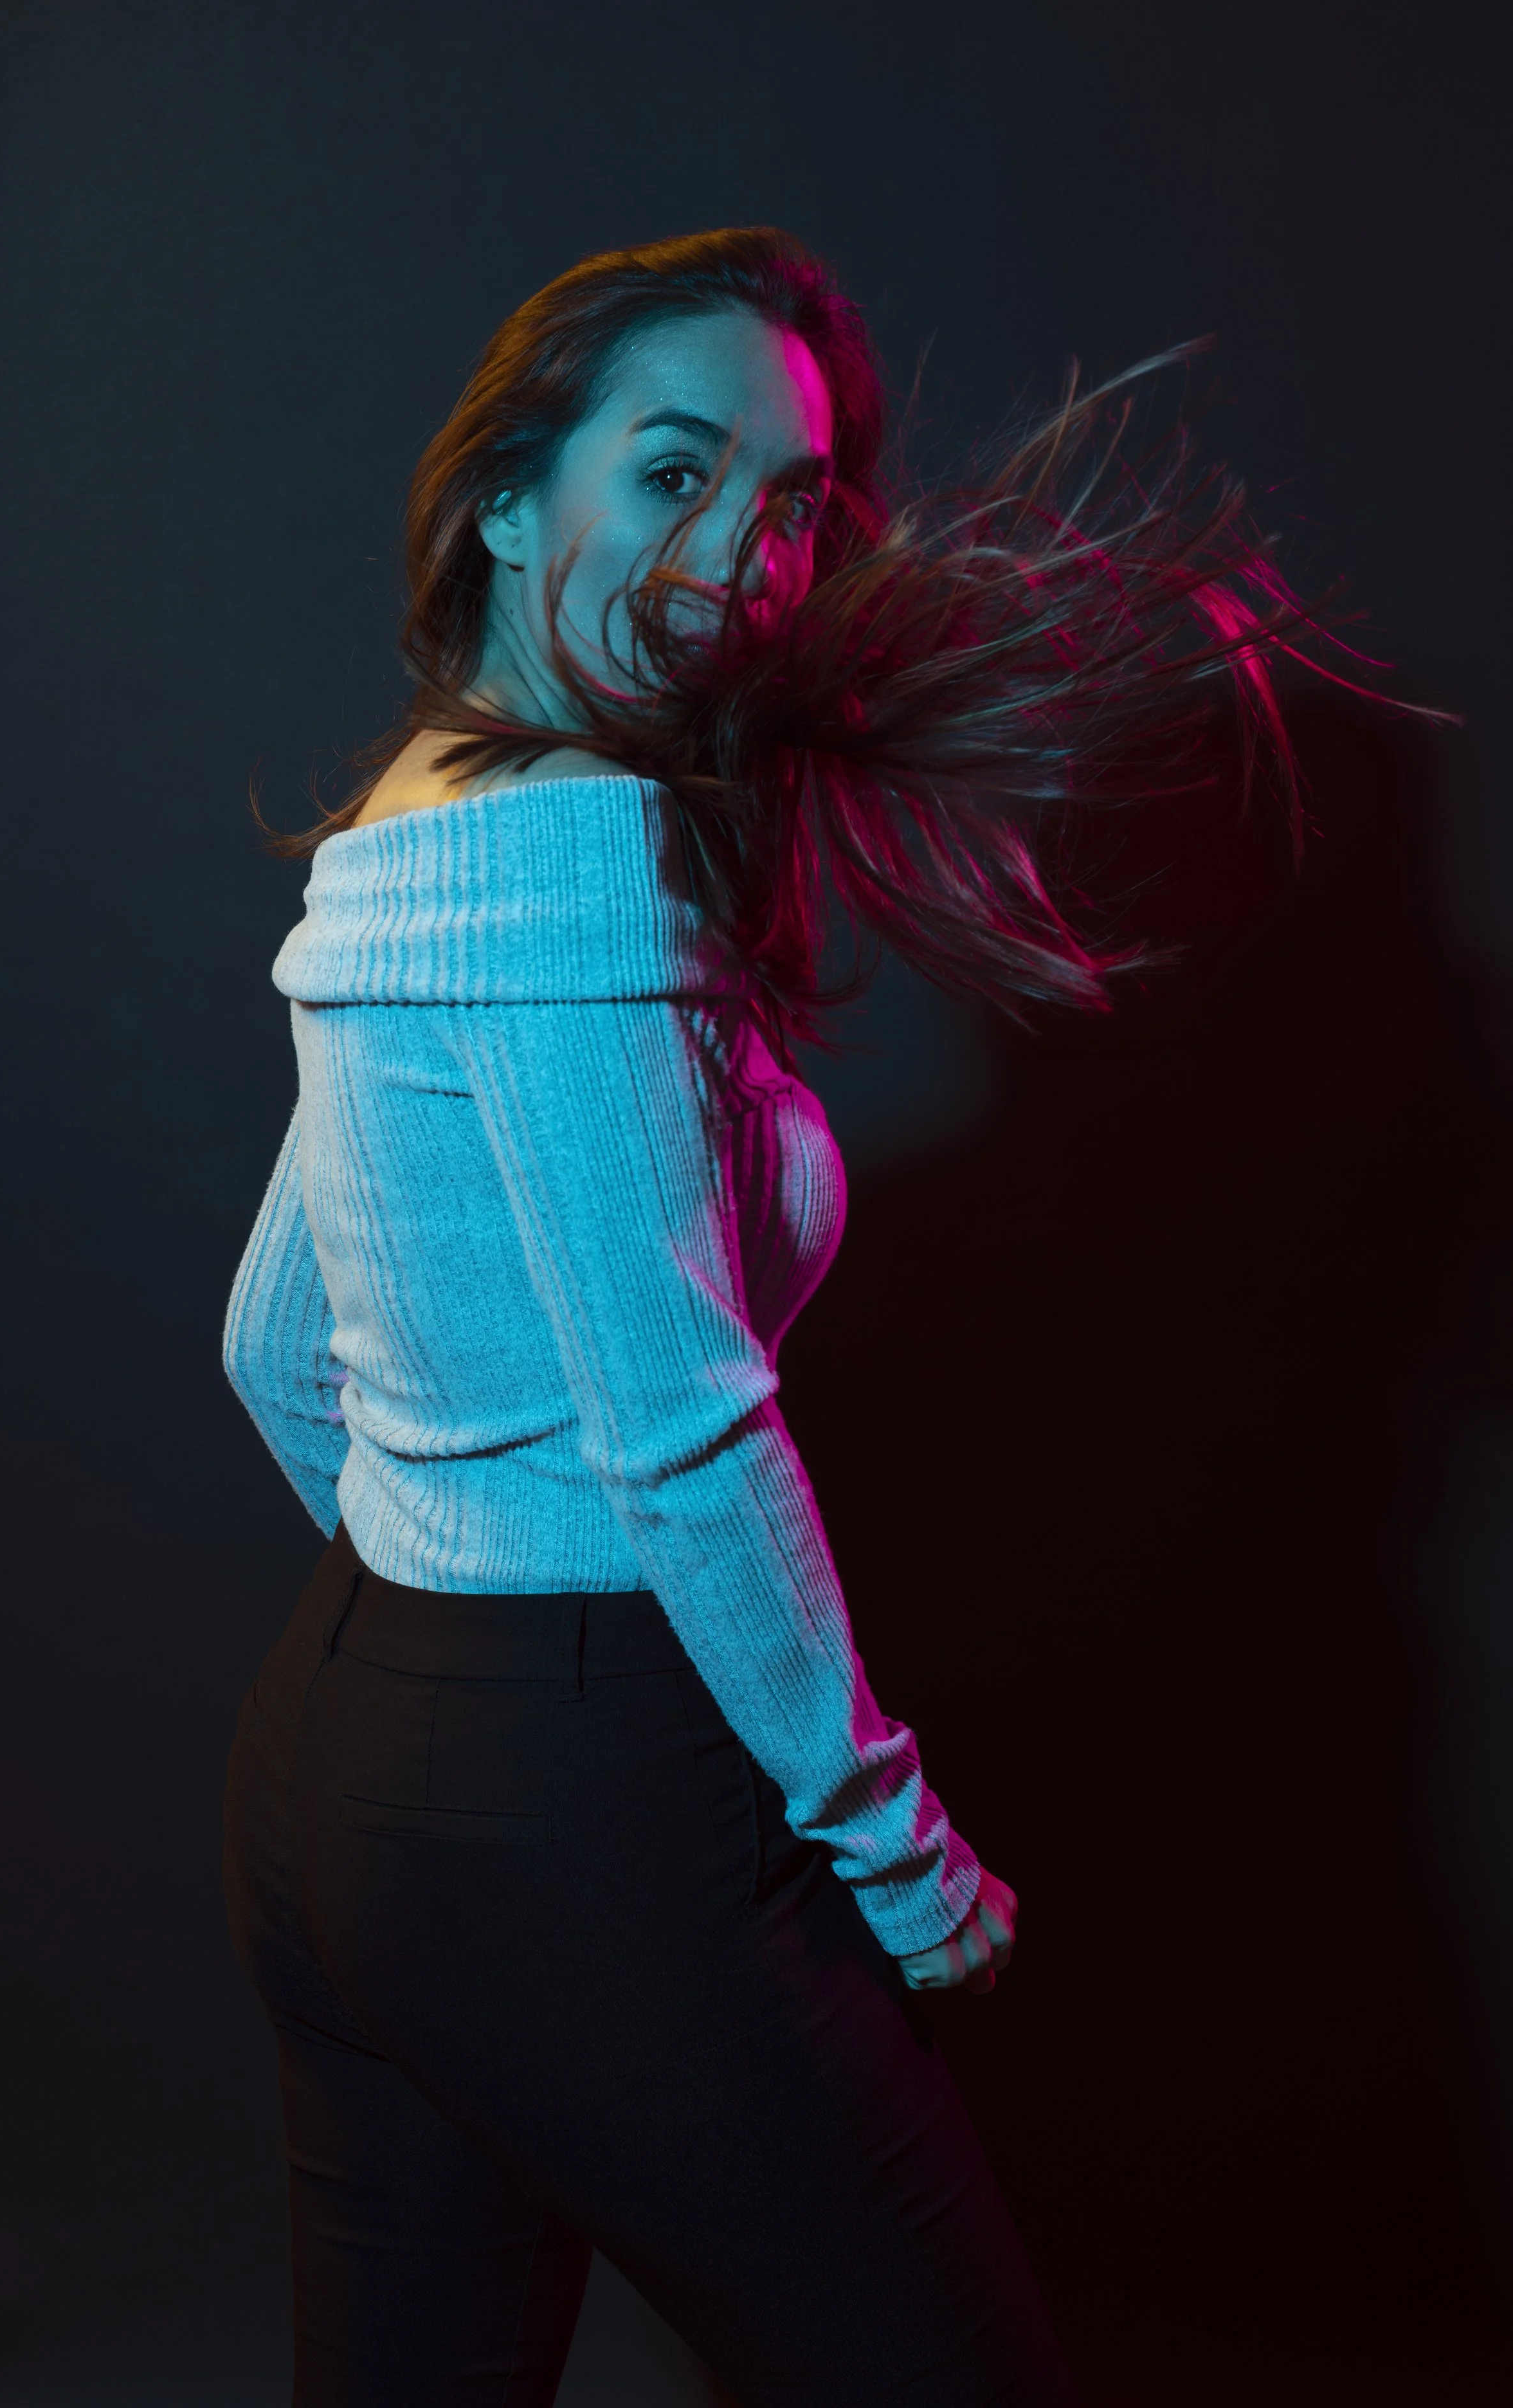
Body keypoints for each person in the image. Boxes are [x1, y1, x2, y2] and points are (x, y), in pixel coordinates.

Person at [221, 225, 1304, 2408]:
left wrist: (446, 1627)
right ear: (510, 502)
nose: (739, 551)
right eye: (673, 470)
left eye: (788, 503)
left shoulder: (400, 847)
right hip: (576, 1803)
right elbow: (686, 1431)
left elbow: (272, 1342)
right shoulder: (580, 860)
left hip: (344, 1769)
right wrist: (889, 1853)